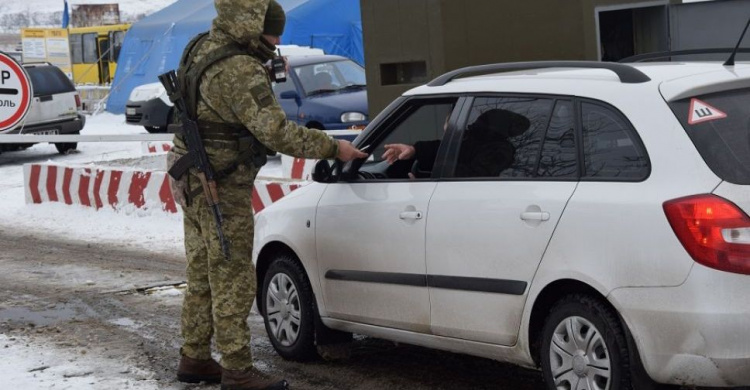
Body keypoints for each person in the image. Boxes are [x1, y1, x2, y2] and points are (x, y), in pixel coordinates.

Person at [168, 1, 367, 390]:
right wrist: (333, 147)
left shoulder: (200, 46)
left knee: (201, 272)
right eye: (273, 32)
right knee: (232, 275)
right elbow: (276, 133)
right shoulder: (242, 69)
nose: (277, 41)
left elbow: (217, 105)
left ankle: (194, 357)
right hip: (220, 186)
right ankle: (238, 371)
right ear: (251, 26)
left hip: (189, 176)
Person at [382, 108, 529, 178]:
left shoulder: (499, 150)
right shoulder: (472, 143)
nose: (447, 128)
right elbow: (445, 148)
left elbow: (473, 175)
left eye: (452, 123)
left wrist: (427, 182)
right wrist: (414, 150)